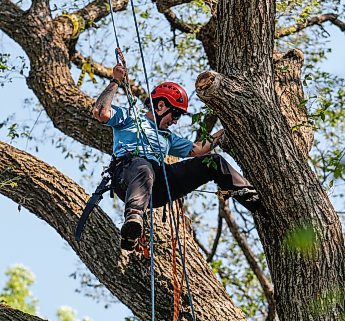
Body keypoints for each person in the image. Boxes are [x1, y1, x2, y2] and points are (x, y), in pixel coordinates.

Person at [92, 64, 259, 250]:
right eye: (176, 113)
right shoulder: (130, 116)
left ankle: (252, 199)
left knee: (212, 161)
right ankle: (132, 221)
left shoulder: (167, 137)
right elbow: (101, 112)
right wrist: (115, 81)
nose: (176, 120)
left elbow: (197, 150)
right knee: (143, 167)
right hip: (128, 175)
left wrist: (227, 128)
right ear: (161, 105)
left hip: (158, 185)